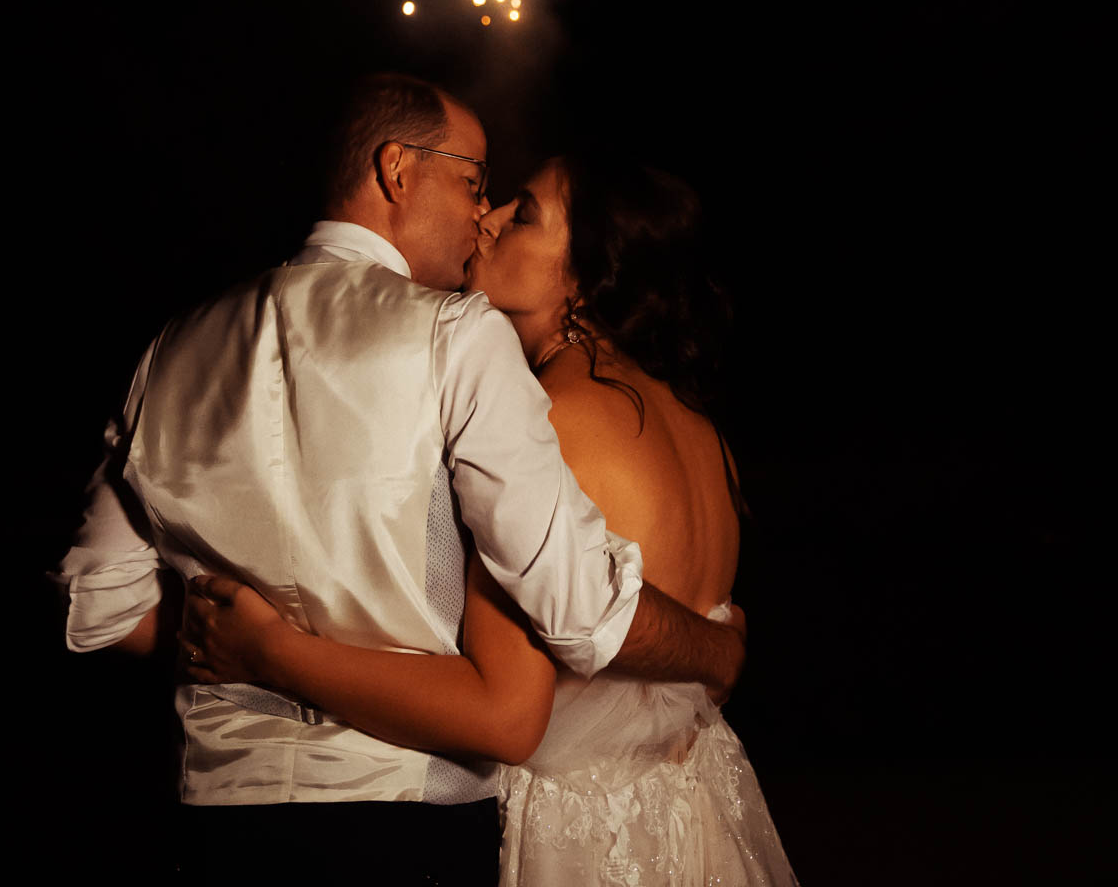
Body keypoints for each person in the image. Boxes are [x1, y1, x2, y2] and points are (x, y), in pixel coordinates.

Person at [57, 76, 745, 886]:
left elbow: (97, 610)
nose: (482, 216)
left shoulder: (171, 348)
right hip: (410, 821)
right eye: (474, 182)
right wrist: (718, 650)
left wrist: (236, 639)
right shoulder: (459, 340)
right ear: (396, 171)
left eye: (505, 201)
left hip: (217, 827)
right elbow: (580, 611)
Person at [180, 153, 798, 885]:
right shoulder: (700, 428)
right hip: (697, 815)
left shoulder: (549, 420)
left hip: (578, 838)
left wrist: (267, 651)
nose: (488, 217)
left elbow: (497, 708)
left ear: (588, 267)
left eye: (524, 212)